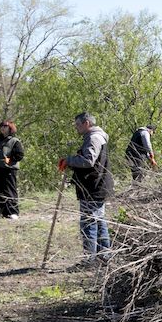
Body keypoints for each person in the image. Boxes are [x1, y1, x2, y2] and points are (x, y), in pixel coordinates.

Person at [59, 111, 114, 262]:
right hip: (97, 185)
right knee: (98, 220)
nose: (76, 128)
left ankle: (89, 259)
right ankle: (104, 255)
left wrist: (69, 161)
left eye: (78, 124)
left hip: (93, 187)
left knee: (88, 221)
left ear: (87, 123)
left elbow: (89, 161)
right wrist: (72, 161)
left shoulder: (93, 138)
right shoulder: (95, 137)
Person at [0, 120, 24, 219]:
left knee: (9, 190)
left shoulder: (14, 141)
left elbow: (20, 155)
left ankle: (13, 212)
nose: (2, 128)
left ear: (10, 128)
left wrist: (10, 160)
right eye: (1, 126)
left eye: (5, 126)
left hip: (9, 169)